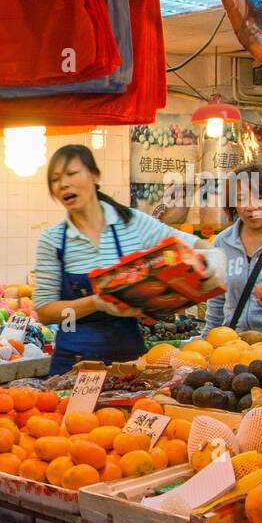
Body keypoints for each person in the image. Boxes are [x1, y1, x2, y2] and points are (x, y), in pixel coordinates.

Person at [33, 145, 228, 375]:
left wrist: (215, 256)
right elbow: (45, 312)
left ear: (94, 176)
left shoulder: (133, 224)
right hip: (73, 366)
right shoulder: (54, 240)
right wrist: (96, 303)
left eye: (72, 174)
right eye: (55, 179)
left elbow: (195, 244)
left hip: (130, 362)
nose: (63, 184)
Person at [205, 166, 262, 336]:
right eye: (242, 199)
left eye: (260, 197)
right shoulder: (222, 243)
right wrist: (207, 341)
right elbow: (216, 303)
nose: (252, 207)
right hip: (232, 347)